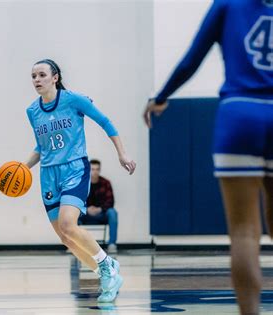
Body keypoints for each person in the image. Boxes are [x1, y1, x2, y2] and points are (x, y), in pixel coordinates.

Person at [143, 1, 273, 314]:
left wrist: (161, 97)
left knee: (243, 231)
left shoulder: (228, 3)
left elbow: (192, 59)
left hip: (239, 114)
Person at [25, 59, 136, 303]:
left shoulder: (73, 99)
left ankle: (107, 264)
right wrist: (23, 167)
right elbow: (41, 147)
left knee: (67, 224)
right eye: (33, 76)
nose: (37, 80)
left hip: (74, 169)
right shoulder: (32, 111)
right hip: (48, 174)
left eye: (42, 74)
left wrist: (122, 153)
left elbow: (105, 122)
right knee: (65, 237)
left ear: (55, 77)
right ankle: (106, 274)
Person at [79, 159, 118, 253]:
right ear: (89, 170)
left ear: (100, 170)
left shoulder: (106, 183)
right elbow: (77, 201)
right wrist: (87, 209)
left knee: (112, 212)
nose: (95, 172)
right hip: (86, 214)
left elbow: (110, 201)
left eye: (97, 169)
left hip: (101, 214)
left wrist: (99, 209)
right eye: (92, 169)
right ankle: (75, 244)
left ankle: (112, 244)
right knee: (74, 213)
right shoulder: (82, 183)